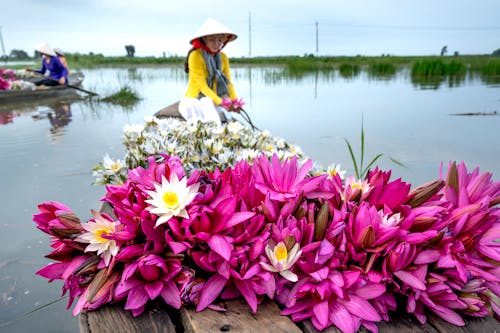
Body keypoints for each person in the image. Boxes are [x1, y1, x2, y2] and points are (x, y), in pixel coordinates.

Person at [179, 18, 243, 125]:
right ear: (204, 39)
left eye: (220, 40)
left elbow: (228, 83)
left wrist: (235, 101)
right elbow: (201, 86)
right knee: (206, 101)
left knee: (211, 103)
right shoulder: (195, 56)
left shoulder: (223, 57)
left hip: (213, 97)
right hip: (195, 98)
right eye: (212, 40)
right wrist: (221, 102)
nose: (216, 44)